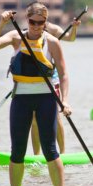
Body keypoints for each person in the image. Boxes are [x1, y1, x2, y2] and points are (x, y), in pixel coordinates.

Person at [0, 2, 72, 186]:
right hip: (21, 99)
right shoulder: (16, 38)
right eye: (32, 22)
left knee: (50, 150)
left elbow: (64, 74)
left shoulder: (52, 42)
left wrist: (65, 101)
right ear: (27, 20)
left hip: (46, 99)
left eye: (40, 23)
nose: (35, 26)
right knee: (17, 151)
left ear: (45, 22)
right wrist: (2, 23)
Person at [29, 18, 80, 156]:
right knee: (34, 119)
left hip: (52, 77)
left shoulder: (53, 29)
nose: (36, 22)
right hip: (34, 78)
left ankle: (62, 153)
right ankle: (36, 156)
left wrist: (74, 27)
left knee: (56, 117)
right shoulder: (29, 30)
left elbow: (70, 38)